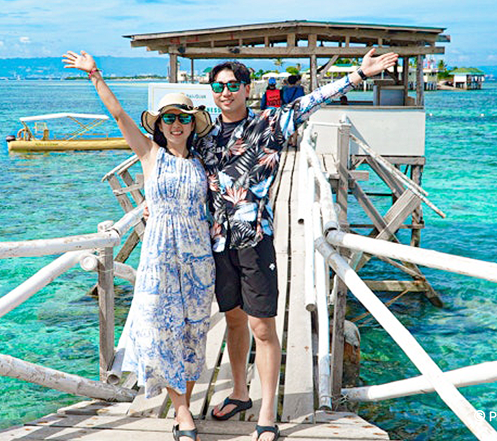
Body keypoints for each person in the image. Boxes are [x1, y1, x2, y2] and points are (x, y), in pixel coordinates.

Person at [195, 48, 398, 441]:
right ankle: (240, 394)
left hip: (255, 240)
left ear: (247, 88)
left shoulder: (269, 124)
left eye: (232, 85)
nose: (225, 92)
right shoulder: (205, 137)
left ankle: (267, 412)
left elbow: (313, 100)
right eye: (218, 87)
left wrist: (359, 75)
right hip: (218, 244)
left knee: (262, 326)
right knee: (233, 319)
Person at [62, 50, 214, 441]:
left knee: (193, 334)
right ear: (159, 124)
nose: (176, 124)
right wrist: (95, 75)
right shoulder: (150, 154)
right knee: (161, 331)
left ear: (192, 124)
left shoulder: (203, 163)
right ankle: (183, 413)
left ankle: (183, 407)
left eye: (183, 118)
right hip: (160, 256)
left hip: (199, 260)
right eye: (169, 118)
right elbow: (118, 116)